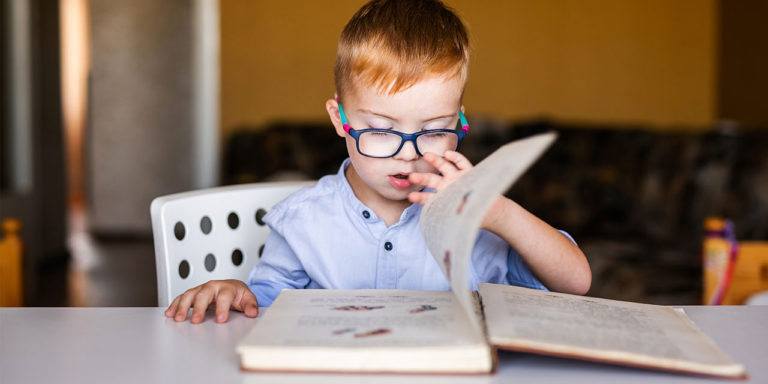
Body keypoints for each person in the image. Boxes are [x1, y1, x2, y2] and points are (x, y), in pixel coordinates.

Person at [165, 0, 591, 324]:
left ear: (461, 120)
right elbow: (265, 306)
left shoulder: (474, 216)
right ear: (340, 119)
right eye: (383, 129)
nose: (409, 152)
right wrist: (237, 291)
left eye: (434, 129)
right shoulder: (302, 221)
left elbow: (575, 284)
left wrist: (498, 213)